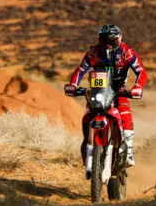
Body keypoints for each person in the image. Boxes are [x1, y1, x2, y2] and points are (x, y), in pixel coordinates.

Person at [63, 24, 147, 168]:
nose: (107, 44)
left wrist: (137, 87)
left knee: (125, 114)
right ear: (99, 40)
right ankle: (87, 143)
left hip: (118, 90)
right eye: (103, 40)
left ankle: (129, 151)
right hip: (98, 90)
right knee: (88, 112)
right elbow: (81, 69)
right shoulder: (94, 52)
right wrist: (73, 85)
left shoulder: (126, 52)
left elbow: (141, 71)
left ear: (118, 40)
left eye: (111, 41)